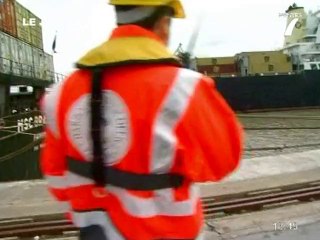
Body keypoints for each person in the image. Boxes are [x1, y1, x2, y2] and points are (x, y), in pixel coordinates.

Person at [40, 0, 243, 239]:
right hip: (170, 233)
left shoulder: (59, 94)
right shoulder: (185, 88)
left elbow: (55, 176)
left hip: (94, 230)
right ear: (163, 22)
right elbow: (222, 163)